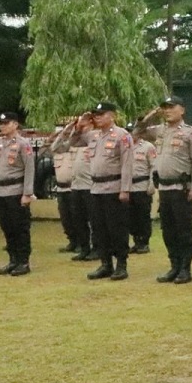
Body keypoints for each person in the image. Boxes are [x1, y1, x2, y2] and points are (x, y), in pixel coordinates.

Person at [134, 96, 192, 284]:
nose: (167, 111)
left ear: (182, 110)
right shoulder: (160, 131)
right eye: (165, 108)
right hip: (164, 188)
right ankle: (174, 265)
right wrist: (151, 115)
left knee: (183, 230)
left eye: (171, 107)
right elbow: (138, 131)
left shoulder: (190, 133)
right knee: (168, 230)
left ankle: (185, 268)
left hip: (181, 188)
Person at [72, 102, 134, 281]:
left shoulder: (122, 135)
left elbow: (127, 164)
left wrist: (125, 189)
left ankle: (121, 265)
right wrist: (80, 124)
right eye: (95, 114)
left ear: (112, 115)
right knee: (99, 229)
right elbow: (74, 141)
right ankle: (105, 264)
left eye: (101, 114)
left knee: (116, 228)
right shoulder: (94, 136)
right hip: (96, 188)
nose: (97, 117)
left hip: (114, 188)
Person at [0, 112, 36, 276]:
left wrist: (27, 193)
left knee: (20, 227)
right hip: (0, 191)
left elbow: (30, 169)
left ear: (15, 124)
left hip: (16, 190)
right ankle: (12, 260)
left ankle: (23, 261)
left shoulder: (23, 143)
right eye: (1, 123)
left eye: (6, 123)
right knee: (7, 227)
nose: (3, 126)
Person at [51, 116, 96, 262]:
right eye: (80, 122)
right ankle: (84, 248)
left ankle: (97, 249)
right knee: (78, 220)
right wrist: (68, 129)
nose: (82, 124)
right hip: (76, 186)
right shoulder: (75, 141)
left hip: (91, 186)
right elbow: (56, 148)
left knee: (95, 221)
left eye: (85, 121)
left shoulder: (96, 139)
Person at [43, 121, 81, 254]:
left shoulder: (75, 150)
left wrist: (71, 133)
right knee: (65, 218)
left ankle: (81, 243)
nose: (65, 137)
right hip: (61, 189)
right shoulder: (58, 151)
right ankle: (72, 241)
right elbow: (50, 147)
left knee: (77, 217)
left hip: (73, 188)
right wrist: (62, 133)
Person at [127, 124, 157, 254]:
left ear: (138, 133)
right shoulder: (124, 147)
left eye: (132, 132)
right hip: (128, 187)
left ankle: (144, 242)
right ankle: (136, 241)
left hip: (142, 186)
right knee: (130, 217)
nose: (130, 135)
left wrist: (152, 184)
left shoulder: (147, 147)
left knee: (143, 216)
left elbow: (154, 166)